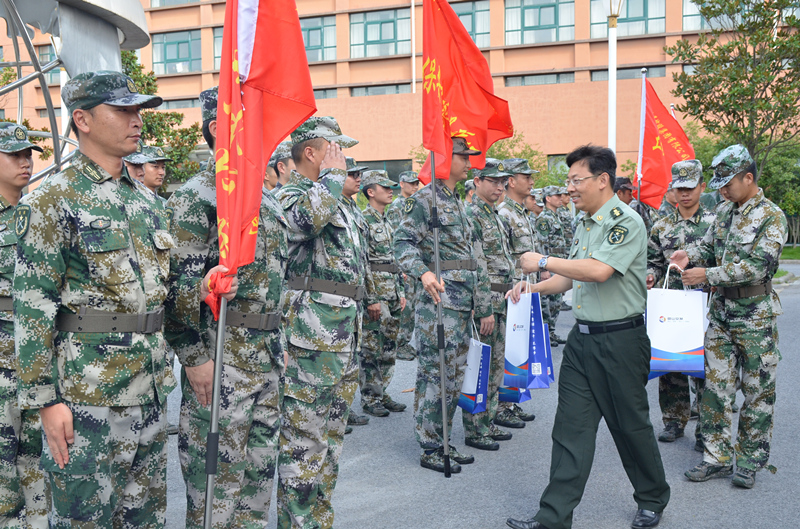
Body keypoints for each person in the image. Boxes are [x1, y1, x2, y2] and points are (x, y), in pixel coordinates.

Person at [14, 70, 230, 528]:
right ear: (83, 120)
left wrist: (197, 327)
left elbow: (162, 297)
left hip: (149, 394)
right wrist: (45, 401)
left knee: (145, 519)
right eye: (123, 110)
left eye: (138, 110)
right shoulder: (53, 200)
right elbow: (32, 306)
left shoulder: (148, 204)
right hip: (86, 399)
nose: (137, 120)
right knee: (85, 520)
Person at [506, 144, 670, 529]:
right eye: (569, 180)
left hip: (620, 341)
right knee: (570, 428)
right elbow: (571, 276)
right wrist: (533, 287)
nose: (570, 188)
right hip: (582, 342)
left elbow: (598, 271)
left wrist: (541, 260)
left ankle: (652, 498)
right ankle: (553, 516)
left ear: (602, 180)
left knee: (630, 425)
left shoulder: (625, 221)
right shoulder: (584, 222)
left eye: (576, 180)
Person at [164, 86, 287, 528]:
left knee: (257, 480)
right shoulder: (197, 196)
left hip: (266, 356)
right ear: (219, 127)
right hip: (222, 359)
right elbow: (173, 287)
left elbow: (275, 279)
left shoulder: (263, 194)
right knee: (214, 489)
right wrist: (194, 358)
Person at [673, 144, 787, 489]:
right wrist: (687, 255)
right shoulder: (725, 211)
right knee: (715, 389)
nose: (722, 191)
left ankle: (750, 461)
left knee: (757, 392)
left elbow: (758, 267)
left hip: (755, 318)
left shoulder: (772, 216)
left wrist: (707, 274)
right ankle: (716, 458)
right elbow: (710, 247)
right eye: (719, 185)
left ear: (748, 178)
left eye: (728, 184)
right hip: (721, 315)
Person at [275, 116, 365, 528]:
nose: (343, 157)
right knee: (304, 444)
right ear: (310, 153)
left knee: (330, 441)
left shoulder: (336, 199)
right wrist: (330, 180)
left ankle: (318, 520)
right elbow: (304, 224)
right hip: (309, 339)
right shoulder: (291, 195)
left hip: (344, 336)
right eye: (335, 148)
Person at [394, 137, 494, 473]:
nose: (469, 163)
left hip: (461, 301)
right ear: (445, 159)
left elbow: (473, 259)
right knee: (435, 374)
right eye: (463, 157)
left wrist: (481, 303)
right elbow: (402, 243)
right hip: (439, 301)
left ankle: (445, 441)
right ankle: (431, 445)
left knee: (454, 374)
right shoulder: (425, 200)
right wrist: (422, 272)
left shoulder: (457, 202)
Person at [646, 160, 715, 453]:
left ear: (702, 186)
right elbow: (652, 261)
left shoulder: (716, 223)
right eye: (679, 188)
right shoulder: (661, 226)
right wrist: (650, 275)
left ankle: (706, 429)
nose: (684, 193)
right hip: (671, 306)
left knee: (705, 367)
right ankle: (674, 420)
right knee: (671, 364)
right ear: (672, 190)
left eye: (690, 187)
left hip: (706, 305)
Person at [0, 123, 49, 528]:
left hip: (35, 365)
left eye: (28, 154)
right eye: (14, 154)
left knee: (37, 465)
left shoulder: (36, 214)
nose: (25, 162)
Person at [463, 159, 516, 451]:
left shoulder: (493, 214)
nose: (499, 187)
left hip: (501, 299)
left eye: (502, 182)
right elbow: (476, 265)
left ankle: (487, 421)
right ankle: (475, 429)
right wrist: (483, 308)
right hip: (487, 302)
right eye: (493, 181)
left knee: (496, 366)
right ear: (477, 181)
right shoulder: (473, 215)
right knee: (481, 367)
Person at [358, 170, 407, 418]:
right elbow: (363, 262)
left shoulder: (388, 220)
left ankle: (382, 391)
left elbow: (394, 259)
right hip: (377, 292)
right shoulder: (364, 220)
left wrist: (401, 291)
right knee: (372, 348)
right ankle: (370, 396)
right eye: (385, 187)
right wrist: (371, 298)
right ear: (370, 191)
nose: (391, 191)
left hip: (393, 291)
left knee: (389, 347)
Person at [495, 157, 539, 429]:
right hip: (513, 292)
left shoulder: (520, 212)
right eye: (526, 176)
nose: (531, 182)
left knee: (519, 348)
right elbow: (501, 256)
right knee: (507, 350)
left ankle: (511, 402)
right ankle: (501, 406)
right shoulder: (504, 213)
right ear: (511, 181)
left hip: (525, 290)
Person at [387, 170, 421, 362]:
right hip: (404, 264)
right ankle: (399, 343)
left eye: (417, 183)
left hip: (415, 262)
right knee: (405, 306)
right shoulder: (396, 207)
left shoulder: (415, 204)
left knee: (413, 305)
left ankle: (405, 341)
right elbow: (395, 239)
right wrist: (399, 267)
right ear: (401, 184)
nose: (415, 186)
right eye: (411, 183)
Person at [535, 186, 570, 346]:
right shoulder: (544, 218)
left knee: (557, 301)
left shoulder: (555, 216)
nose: (560, 198)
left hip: (559, 261)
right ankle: (546, 334)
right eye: (556, 196)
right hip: (550, 263)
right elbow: (541, 244)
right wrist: (544, 268)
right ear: (548, 198)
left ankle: (552, 332)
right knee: (548, 302)